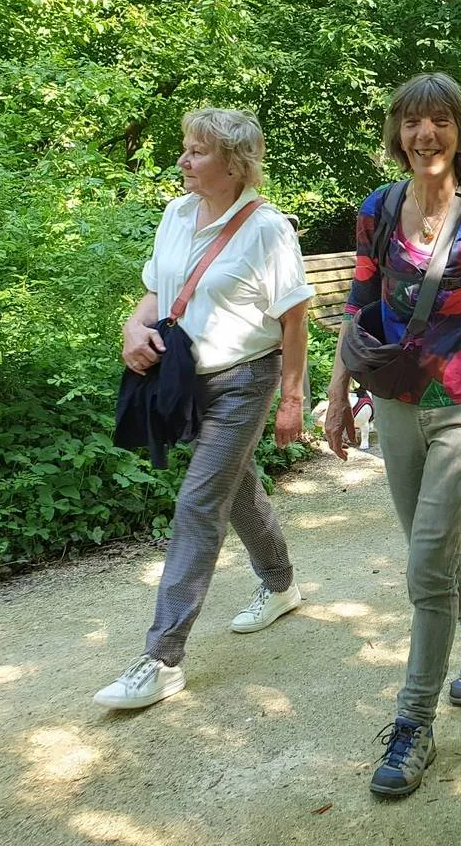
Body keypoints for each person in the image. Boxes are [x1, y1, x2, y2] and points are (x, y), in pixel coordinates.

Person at [323, 73, 461, 800]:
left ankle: (412, 724)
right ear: (398, 134)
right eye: (412, 123)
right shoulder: (378, 210)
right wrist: (337, 393)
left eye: (439, 121)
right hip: (395, 401)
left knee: (424, 567)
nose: (426, 135)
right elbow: (359, 304)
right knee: (435, 549)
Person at [96, 108, 314, 711]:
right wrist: (131, 330)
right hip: (187, 381)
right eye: (185, 149)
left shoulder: (267, 229)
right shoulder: (176, 214)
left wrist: (291, 401)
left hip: (245, 381)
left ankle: (162, 659)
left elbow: (294, 319)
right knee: (234, 488)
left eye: (196, 152)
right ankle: (281, 583)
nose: (183, 161)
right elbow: (157, 291)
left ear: (234, 163)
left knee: (198, 503)